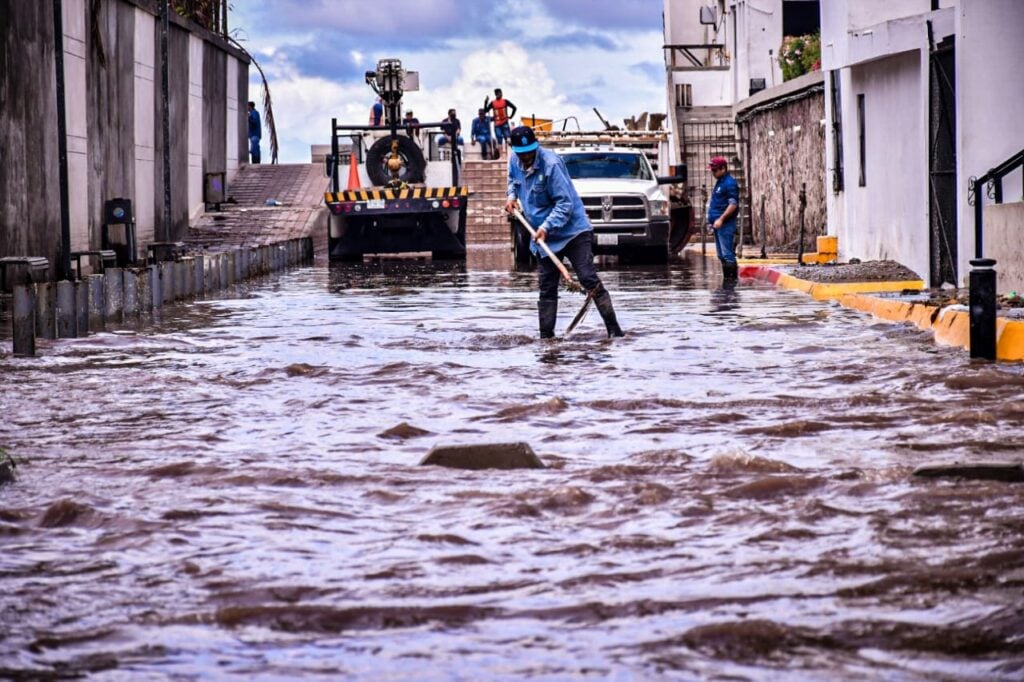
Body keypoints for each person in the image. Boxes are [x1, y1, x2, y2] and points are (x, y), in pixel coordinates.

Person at [503, 126, 624, 339]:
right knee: (547, 286)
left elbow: (565, 204)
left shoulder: (551, 165)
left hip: (572, 231)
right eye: (523, 154)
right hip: (544, 238)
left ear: (536, 148)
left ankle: (615, 332)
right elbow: (513, 180)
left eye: (530, 153)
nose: (527, 158)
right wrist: (511, 197)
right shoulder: (514, 160)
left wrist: (546, 227)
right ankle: (546, 338)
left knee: (588, 278)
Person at [707, 156, 739, 281]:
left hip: (725, 225)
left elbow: (733, 204)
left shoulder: (729, 183)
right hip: (718, 225)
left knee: (727, 255)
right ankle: (727, 282)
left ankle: (731, 283)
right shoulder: (720, 182)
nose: (713, 173)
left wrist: (721, 219)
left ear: (723, 169)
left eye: (715, 170)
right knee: (721, 255)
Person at [485, 88, 517, 158]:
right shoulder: (492, 103)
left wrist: (511, 116)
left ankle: (508, 155)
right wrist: (485, 102)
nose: (499, 94)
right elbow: (485, 111)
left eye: (500, 93)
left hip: (504, 122)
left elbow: (514, 108)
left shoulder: (505, 101)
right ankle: (501, 156)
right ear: (496, 94)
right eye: (498, 93)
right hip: (497, 125)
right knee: (500, 140)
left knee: (508, 139)